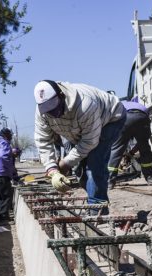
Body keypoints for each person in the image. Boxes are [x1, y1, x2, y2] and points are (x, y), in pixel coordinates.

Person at [33, 80, 126, 209]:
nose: (53, 114)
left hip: (110, 119)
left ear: (61, 95)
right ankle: (96, 199)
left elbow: (90, 141)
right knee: (79, 170)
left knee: (94, 164)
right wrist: (52, 169)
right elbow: (43, 140)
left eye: (55, 108)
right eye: (49, 111)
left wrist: (65, 163)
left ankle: (97, 211)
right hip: (78, 129)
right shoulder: (42, 112)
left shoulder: (85, 104)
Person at [107, 100, 152, 189]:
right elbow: (141, 143)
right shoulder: (136, 104)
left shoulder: (116, 105)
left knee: (116, 149)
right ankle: (151, 179)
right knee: (145, 148)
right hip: (142, 117)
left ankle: (109, 182)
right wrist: (130, 153)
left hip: (125, 118)